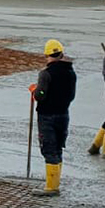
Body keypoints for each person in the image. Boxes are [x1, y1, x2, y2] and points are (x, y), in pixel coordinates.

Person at [29, 39, 76, 197]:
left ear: (47, 55)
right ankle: (55, 182)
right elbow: (71, 95)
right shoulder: (70, 72)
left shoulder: (46, 73)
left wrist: (35, 91)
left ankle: (51, 187)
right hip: (63, 114)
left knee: (49, 149)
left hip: (47, 115)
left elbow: (40, 95)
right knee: (58, 148)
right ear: (61, 54)